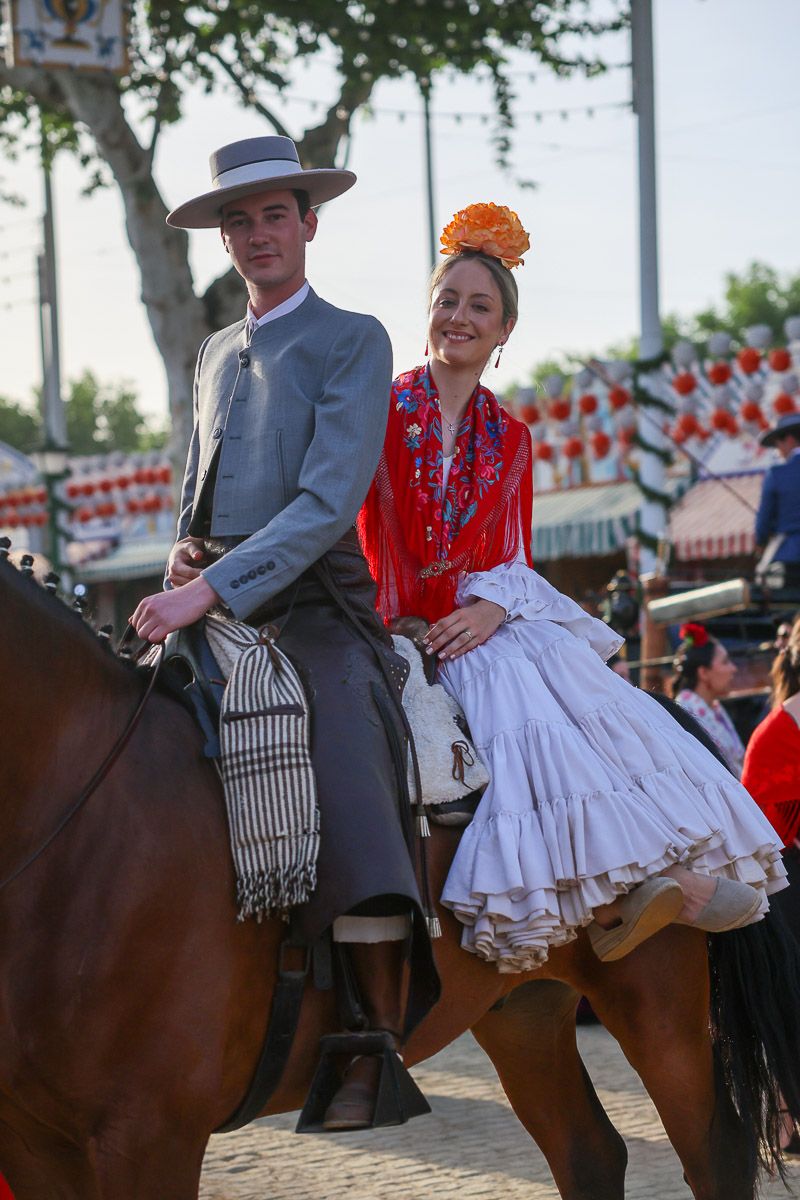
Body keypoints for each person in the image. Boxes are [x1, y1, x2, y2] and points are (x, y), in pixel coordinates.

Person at [358, 201, 787, 974]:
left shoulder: (513, 439)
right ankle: (608, 890)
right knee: (523, 697)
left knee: (595, 702)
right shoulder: (377, 408)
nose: (459, 316)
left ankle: (666, 880)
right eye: (446, 301)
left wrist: (491, 606)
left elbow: (513, 555)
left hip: (480, 619)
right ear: (426, 313)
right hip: (396, 621)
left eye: (478, 306)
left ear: (504, 332)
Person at [131, 136, 439, 1131]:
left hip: (317, 602)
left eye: (275, 214)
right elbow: (198, 481)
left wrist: (207, 589)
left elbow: (324, 502)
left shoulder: (354, 337)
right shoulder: (216, 350)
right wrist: (183, 555)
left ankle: (364, 1035)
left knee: (339, 737)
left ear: (309, 223)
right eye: (239, 220)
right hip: (213, 591)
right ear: (223, 238)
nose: (257, 234)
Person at [671, 623, 746, 777]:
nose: (733, 668)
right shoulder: (686, 712)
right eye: (725, 662)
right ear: (703, 672)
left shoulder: (713, 706)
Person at [755, 413, 800, 571]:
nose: (778, 451)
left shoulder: (777, 473)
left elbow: (764, 518)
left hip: (790, 555)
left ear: (789, 440)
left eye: (777, 445)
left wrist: (760, 542)